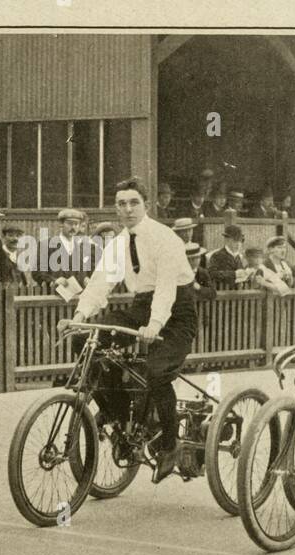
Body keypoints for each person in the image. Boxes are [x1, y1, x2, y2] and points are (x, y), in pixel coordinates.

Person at [57, 177, 199, 484]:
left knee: (155, 370)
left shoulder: (165, 239)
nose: (127, 209)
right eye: (121, 203)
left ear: (146, 205)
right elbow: (99, 283)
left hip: (176, 313)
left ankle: (170, 443)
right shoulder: (119, 243)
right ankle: (121, 420)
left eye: (134, 202)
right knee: (85, 342)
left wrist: (155, 325)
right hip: (140, 309)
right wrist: (79, 316)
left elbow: (165, 290)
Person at [32, 208, 97, 295]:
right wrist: (54, 280)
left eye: (76, 224)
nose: (73, 227)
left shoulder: (83, 248)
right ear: (61, 224)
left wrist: (86, 278)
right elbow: (37, 273)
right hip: (54, 298)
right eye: (70, 223)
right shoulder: (46, 245)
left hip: (77, 298)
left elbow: (88, 272)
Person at [207, 224, 253, 290]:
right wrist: (234, 274)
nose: (238, 244)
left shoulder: (239, 257)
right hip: (222, 294)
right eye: (235, 241)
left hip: (238, 294)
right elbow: (211, 274)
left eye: (240, 241)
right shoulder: (217, 255)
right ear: (227, 240)